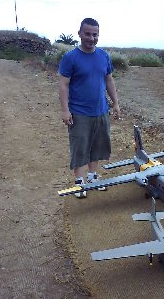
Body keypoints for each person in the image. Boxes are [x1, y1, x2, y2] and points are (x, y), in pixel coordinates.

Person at [58, 17, 120, 198]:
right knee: (80, 147)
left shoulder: (103, 56)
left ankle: (92, 177)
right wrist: (64, 109)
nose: (91, 38)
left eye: (95, 35)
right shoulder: (70, 58)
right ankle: (79, 182)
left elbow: (109, 79)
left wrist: (115, 103)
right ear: (79, 34)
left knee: (98, 146)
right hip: (79, 113)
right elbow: (64, 84)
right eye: (87, 34)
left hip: (101, 111)